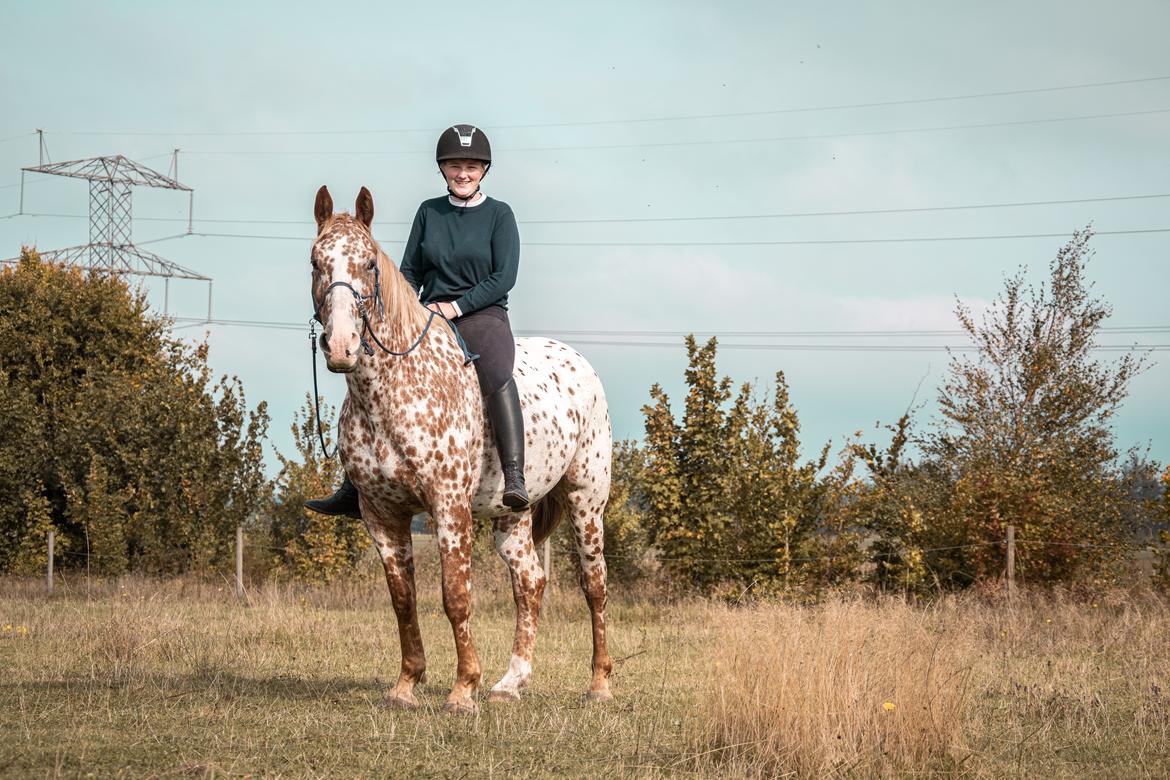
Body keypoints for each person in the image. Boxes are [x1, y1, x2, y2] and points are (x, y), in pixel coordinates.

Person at [305, 124, 529, 518]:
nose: (463, 173)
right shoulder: (428, 212)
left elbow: (503, 277)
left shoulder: (500, 215)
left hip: (482, 315)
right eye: (455, 166)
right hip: (427, 314)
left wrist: (457, 308)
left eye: (472, 166)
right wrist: (398, 311)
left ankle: (514, 475)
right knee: (370, 368)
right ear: (443, 169)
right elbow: (409, 271)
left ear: (484, 170)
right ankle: (353, 481)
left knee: (496, 372)